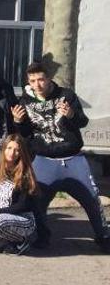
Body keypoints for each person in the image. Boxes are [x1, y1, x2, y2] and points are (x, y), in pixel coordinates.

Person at [14, 62, 109, 251]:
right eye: (33, 81)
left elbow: (82, 121)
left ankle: (103, 236)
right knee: (37, 201)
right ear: (28, 82)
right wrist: (18, 122)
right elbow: (25, 134)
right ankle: (42, 236)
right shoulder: (24, 102)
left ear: (49, 78)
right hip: (44, 160)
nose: (38, 84)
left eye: (41, 79)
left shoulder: (66, 95)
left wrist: (72, 114)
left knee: (91, 198)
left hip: (73, 158)